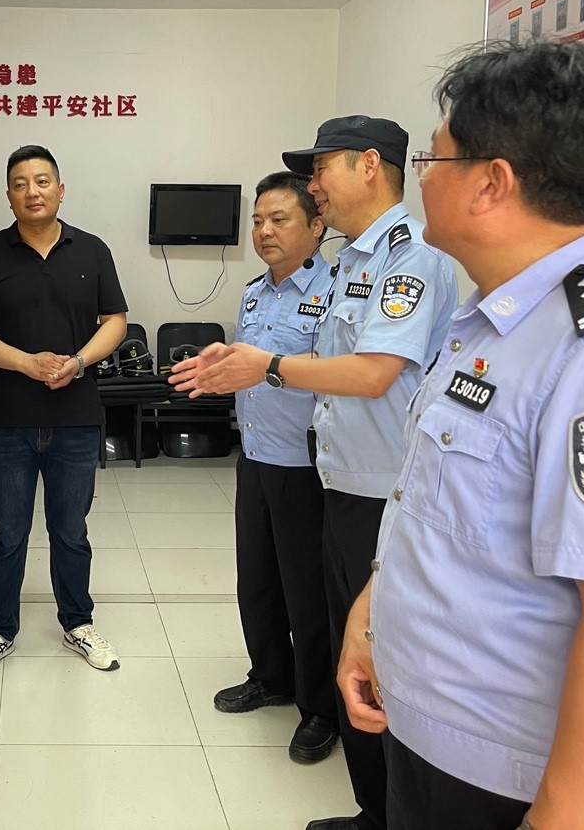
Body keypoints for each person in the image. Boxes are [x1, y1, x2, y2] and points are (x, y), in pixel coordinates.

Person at [338, 39, 584, 830]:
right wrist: (371, 618)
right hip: (435, 743)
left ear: (490, 182)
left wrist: (558, 820)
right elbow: (442, 516)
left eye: (433, 158)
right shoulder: (491, 320)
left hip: (524, 785)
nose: (420, 177)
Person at [169, 115, 458, 830]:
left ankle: (389, 809)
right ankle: (371, 809)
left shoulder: (410, 258)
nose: (314, 184)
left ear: (369, 165)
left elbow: (373, 372)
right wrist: (241, 366)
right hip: (340, 477)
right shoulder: (359, 261)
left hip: (382, 491)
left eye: (321, 168)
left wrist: (266, 365)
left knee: (379, 653)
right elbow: (330, 364)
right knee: (342, 637)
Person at [0, 144, 128, 679]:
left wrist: (78, 362)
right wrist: (25, 363)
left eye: (42, 181)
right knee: (7, 534)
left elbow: (115, 320)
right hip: (8, 420)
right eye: (20, 183)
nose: (33, 191)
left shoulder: (92, 250)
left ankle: (78, 622)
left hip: (76, 418)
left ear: (60, 189)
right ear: (8, 195)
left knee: (71, 531)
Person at [213, 172, 339, 766]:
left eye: (279, 219)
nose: (264, 231)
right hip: (256, 456)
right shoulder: (253, 294)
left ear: (317, 225)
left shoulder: (337, 292)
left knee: (306, 589)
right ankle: (270, 675)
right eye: (258, 221)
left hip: (306, 463)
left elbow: (338, 367)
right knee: (257, 578)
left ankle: (320, 707)